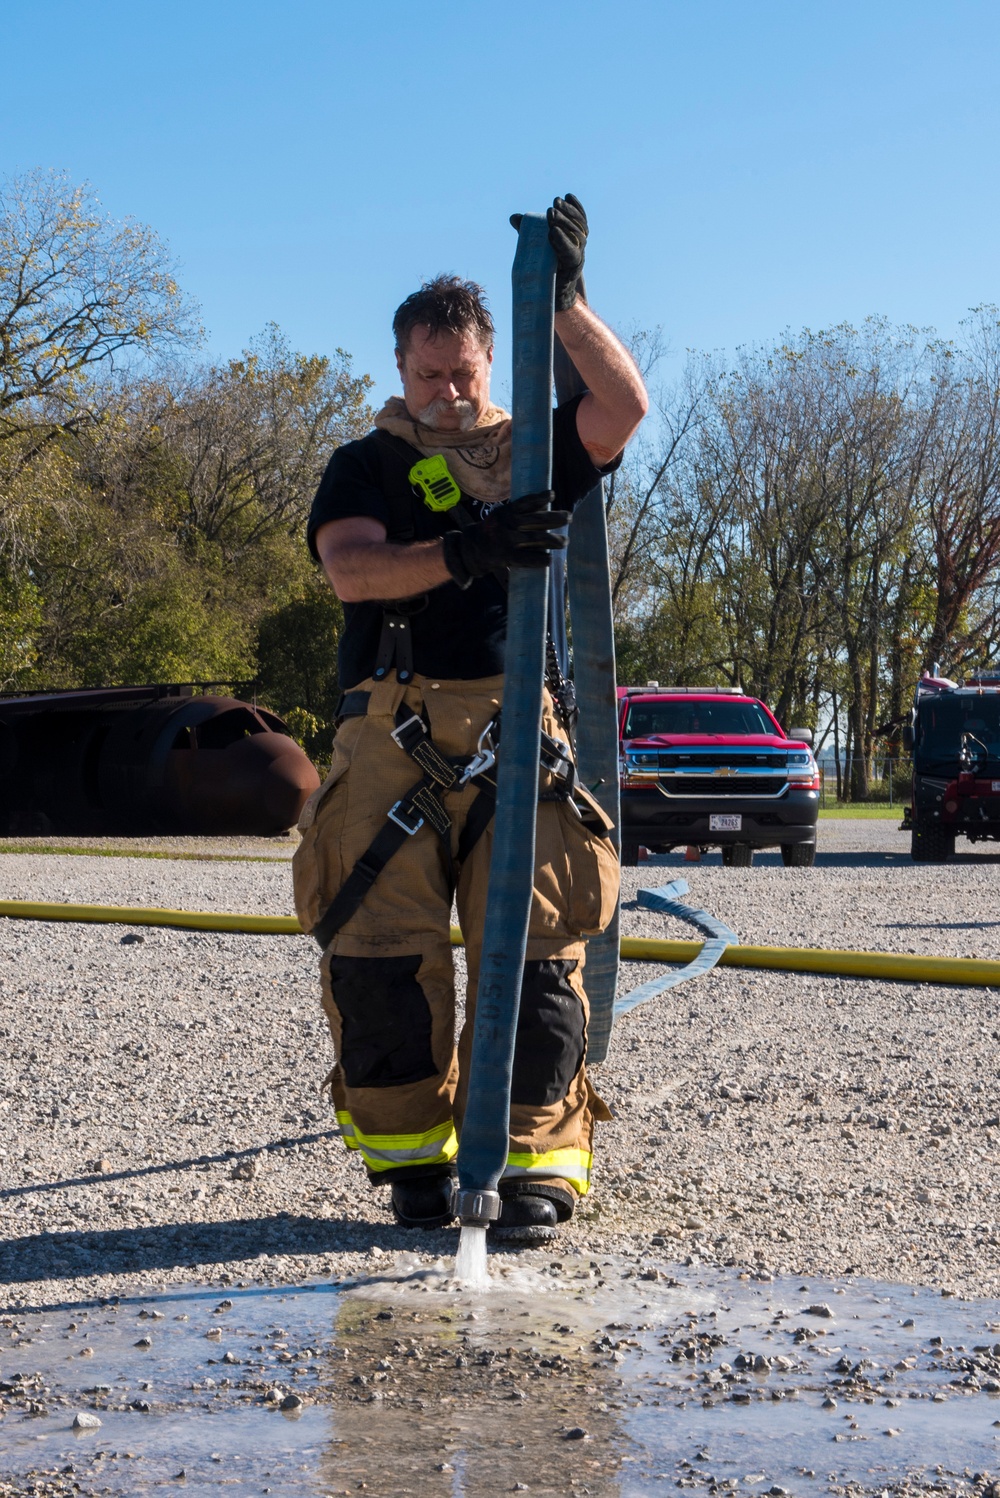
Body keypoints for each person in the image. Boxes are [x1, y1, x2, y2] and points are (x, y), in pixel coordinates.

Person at [292, 196, 647, 1243]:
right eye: (427, 373)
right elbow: (351, 570)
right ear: (399, 369)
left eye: (463, 370)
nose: (447, 391)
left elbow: (620, 407)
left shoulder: (536, 449)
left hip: (519, 730)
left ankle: (537, 1162)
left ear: (491, 361)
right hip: (390, 730)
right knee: (380, 955)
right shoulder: (366, 464)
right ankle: (411, 1165)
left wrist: (569, 303)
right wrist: (465, 552)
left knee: (538, 951)